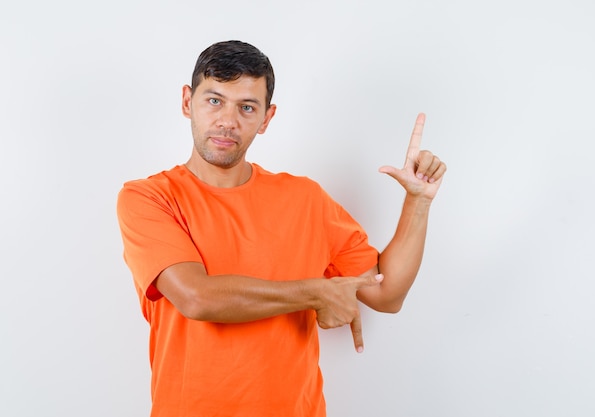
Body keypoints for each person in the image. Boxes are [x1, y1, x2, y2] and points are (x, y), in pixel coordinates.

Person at [117, 40, 446, 417]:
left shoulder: (305, 199)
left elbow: (386, 294)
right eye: (214, 100)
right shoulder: (148, 197)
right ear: (187, 101)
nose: (228, 120)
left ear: (267, 118)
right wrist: (317, 293)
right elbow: (197, 298)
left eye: (246, 107)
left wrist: (418, 201)